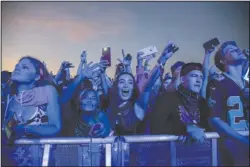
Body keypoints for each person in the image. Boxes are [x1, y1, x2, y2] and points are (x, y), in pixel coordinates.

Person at [2, 56, 61, 166]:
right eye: (16, 66)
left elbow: (55, 127)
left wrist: (25, 130)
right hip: (13, 161)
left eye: (24, 67)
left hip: (41, 160)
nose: (17, 68)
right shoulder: (10, 99)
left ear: (37, 76)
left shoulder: (47, 91)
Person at [207, 41, 249, 166]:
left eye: (237, 48)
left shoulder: (247, 83)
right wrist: (243, 140)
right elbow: (214, 119)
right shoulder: (217, 83)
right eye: (231, 50)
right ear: (223, 61)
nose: (238, 50)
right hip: (232, 147)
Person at [151, 63, 210, 142]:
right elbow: (156, 126)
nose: (199, 80)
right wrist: (185, 128)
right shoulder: (168, 98)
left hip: (200, 151)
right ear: (182, 79)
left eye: (201, 77)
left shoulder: (202, 102)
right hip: (172, 151)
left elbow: (209, 127)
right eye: (194, 76)